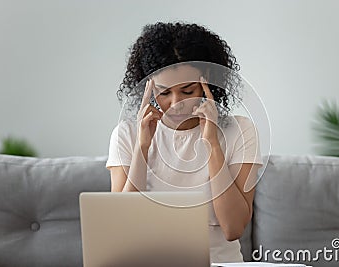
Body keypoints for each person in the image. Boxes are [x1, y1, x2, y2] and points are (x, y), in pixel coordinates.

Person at [106, 22, 263, 263]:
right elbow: (121, 230)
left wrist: (212, 142)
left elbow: (233, 229)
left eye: (187, 91)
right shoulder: (126, 134)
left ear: (207, 83)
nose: (176, 103)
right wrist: (142, 147)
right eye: (164, 92)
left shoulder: (239, 130)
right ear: (148, 88)